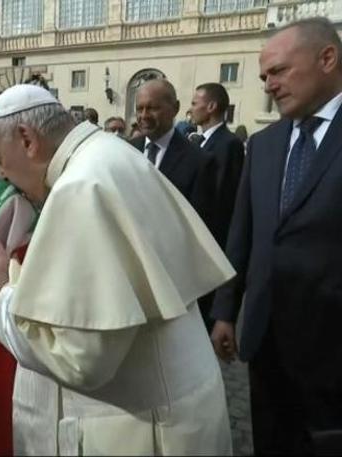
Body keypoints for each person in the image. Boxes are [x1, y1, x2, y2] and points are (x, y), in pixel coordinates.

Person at [0, 84, 235, 455]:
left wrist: (3, 292)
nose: (1, 174)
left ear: (27, 139)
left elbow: (81, 361)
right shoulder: (111, 152)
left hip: (143, 428)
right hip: (182, 403)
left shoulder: (79, 187)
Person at [211, 18, 342, 455]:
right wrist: (227, 311)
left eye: (279, 71)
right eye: (265, 76)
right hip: (266, 344)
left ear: (327, 58)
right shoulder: (265, 145)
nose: (269, 85)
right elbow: (242, 234)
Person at [130, 80, 215, 226]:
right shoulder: (126, 151)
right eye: (139, 109)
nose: (144, 115)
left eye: (152, 108)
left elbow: (202, 226)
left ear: (175, 108)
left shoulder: (200, 162)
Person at [189, 82, 245, 249]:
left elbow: (222, 198)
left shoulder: (229, 144)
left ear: (211, 106)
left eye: (194, 103)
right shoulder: (199, 142)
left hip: (212, 239)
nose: (191, 109)